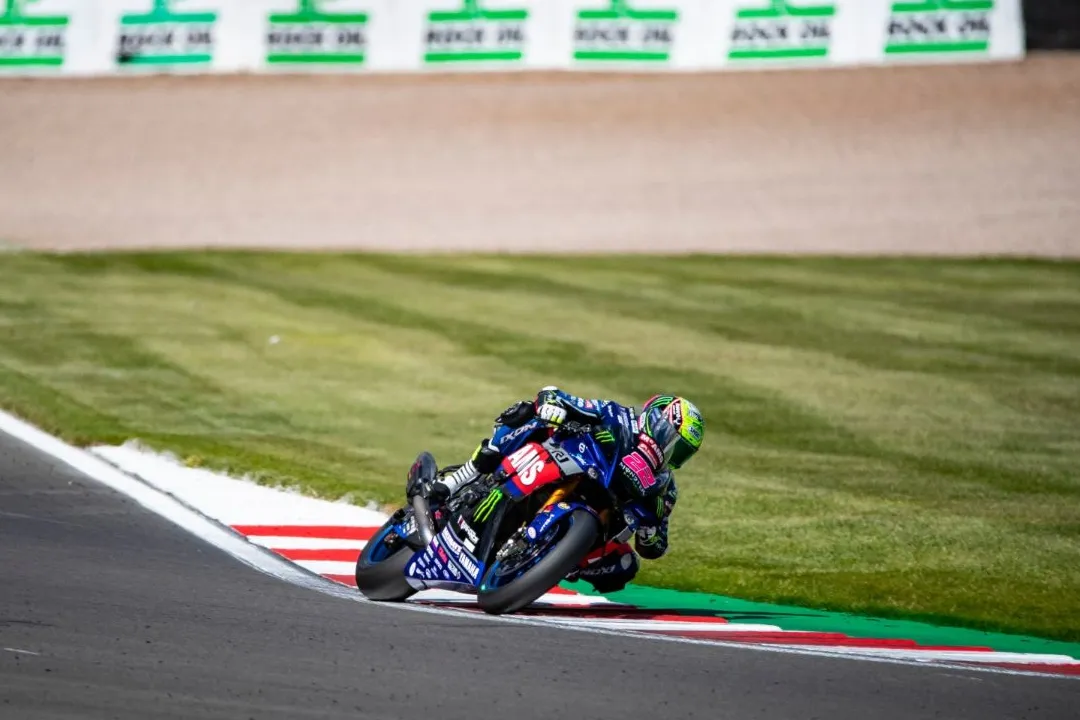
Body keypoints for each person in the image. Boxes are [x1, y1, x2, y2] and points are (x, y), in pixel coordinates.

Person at [428, 386, 704, 593]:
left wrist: (650, 533)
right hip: (561, 466)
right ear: (653, 417)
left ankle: (554, 561)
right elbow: (558, 395)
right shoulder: (617, 416)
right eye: (669, 437)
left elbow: (656, 546)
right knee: (526, 416)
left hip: (595, 517)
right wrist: (553, 405)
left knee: (625, 567)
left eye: (680, 450)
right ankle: (460, 479)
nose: (669, 449)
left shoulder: (665, 490)